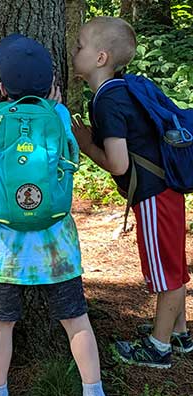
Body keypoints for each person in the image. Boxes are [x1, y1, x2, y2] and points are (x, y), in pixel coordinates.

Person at [0, 33, 108, 396]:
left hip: (5, 249)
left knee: (0, 322)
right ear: (52, 86)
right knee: (76, 319)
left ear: (0, 85)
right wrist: (54, 112)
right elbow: (73, 158)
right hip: (56, 245)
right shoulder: (58, 114)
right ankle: (93, 392)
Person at [72, 16, 192, 368]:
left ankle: (159, 347)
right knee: (171, 265)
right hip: (165, 192)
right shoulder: (121, 89)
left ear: (100, 58)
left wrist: (84, 145)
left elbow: (119, 164)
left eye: (80, 46)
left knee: (167, 273)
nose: (74, 51)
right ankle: (179, 333)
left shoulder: (108, 101)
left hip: (155, 196)